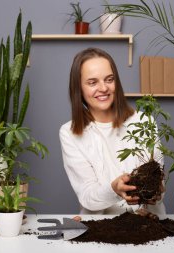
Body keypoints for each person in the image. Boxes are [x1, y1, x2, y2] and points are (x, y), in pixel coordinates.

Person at [59, 47, 166, 217]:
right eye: (92, 82)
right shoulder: (69, 133)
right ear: (78, 88)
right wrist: (114, 189)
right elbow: (87, 197)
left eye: (109, 79)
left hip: (148, 224)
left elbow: (157, 183)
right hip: (102, 227)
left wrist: (158, 190)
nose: (103, 88)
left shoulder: (144, 122)